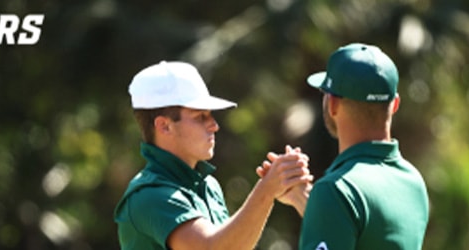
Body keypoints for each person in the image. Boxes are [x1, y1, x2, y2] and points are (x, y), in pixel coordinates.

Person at [113, 61, 312, 250]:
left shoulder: (209, 186)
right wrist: (266, 191)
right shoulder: (148, 196)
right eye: (200, 117)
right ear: (164, 126)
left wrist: (298, 197)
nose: (214, 125)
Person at [299, 43, 430, 250]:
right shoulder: (413, 182)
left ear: (332, 104)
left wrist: (320, 204)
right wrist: (307, 202)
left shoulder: (335, 191)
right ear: (394, 105)